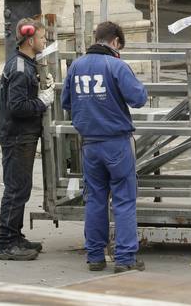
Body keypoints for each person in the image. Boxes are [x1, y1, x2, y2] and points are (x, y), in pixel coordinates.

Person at [62, 21, 148, 273]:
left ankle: (95, 256)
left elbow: (66, 101)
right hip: (116, 142)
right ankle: (124, 258)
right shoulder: (116, 65)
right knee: (123, 200)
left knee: (95, 200)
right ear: (115, 42)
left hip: (89, 144)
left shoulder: (76, 66)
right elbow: (139, 98)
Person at [0, 17, 55, 261]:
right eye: (42, 38)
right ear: (30, 40)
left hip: (22, 136)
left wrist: (41, 88)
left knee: (21, 188)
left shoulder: (24, 64)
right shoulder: (20, 69)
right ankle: (7, 243)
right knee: (16, 189)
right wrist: (42, 100)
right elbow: (18, 106)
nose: (45, 41)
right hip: (18, 136)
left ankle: (15, 235)